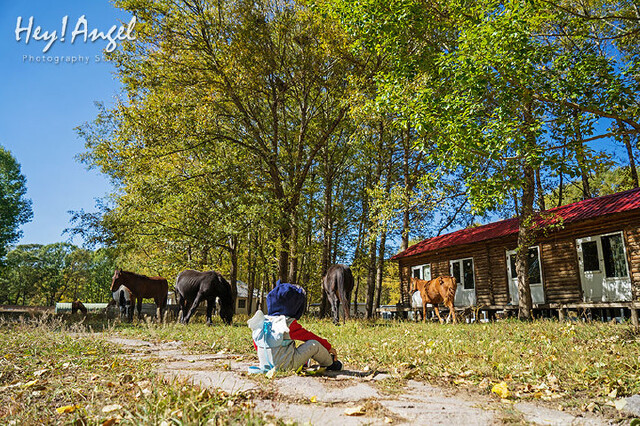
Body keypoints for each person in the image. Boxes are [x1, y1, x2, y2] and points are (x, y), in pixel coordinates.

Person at [248, 281, 342, 372]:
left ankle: (303, 362)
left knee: (286, 346)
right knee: (314, 345)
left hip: (265, 365)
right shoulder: (287, 323)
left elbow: (257, 342)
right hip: (286, 366)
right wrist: (328, 347)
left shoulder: (263, 321)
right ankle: (330, 363)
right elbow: (309, 337)